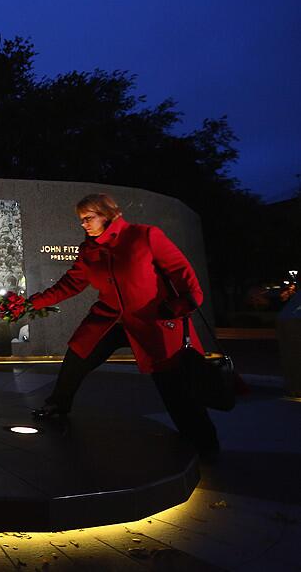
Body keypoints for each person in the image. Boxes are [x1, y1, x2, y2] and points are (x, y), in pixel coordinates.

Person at [27, 193, 219, 459]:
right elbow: (71, 284)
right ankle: (58, 405)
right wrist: (33, 303)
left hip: (152, 320)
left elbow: (180, 270)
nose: (84, 224)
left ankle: (204, 443)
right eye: (81, 220)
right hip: (109, 319)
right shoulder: (89, 250)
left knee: (174, 384)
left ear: (108, 214)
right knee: (78, 356)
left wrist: (185, 303)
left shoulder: (145, 236)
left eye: (88, 218)